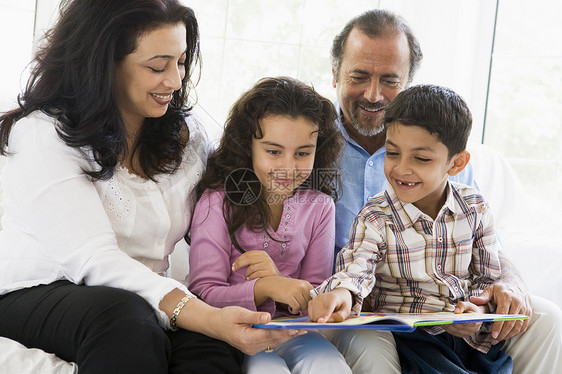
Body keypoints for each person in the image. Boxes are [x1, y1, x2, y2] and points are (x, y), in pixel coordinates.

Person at [0, 1, 300, 373]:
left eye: (182, 61)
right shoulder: (42, 135)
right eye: (158, 66)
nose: (174, 80)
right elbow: (95, 261)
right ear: (102, 64)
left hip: (146, 297)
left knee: (209, 343)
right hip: (41, 290)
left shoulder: (186, 135)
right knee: (127, 319)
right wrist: (196, 312)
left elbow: (230, 200)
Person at [327, 8, 562, 374]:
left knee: (548, 318)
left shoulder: (456, 176)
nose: (373, 94)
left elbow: (486, 254)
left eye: (389, 80)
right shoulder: (308, 146)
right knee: (379, 346)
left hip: (453, 314)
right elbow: (351, 269)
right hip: (368, 308)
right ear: (335, 75)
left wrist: (499, 290)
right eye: (359, 76)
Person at [310, 84, 513, 373]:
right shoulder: (376, 216)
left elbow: (487, 279)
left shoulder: (475, 208)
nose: (401, 168)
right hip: (411, 335)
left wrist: (478, 312)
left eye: (421, 159)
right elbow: (356, 270)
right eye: (392, 153)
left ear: (456, 163)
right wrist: (340, 295)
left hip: (465, 338)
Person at [188, 76, 351, 374]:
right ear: (247, 146)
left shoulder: (320, 207)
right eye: (273, 151)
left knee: (329, 365)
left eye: (303, 153)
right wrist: (264, 288)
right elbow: (204, 292)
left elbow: (313, 295)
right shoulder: (217, 201)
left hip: (296, 332)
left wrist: (288, 287)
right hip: (237, 333)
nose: (289, 167)